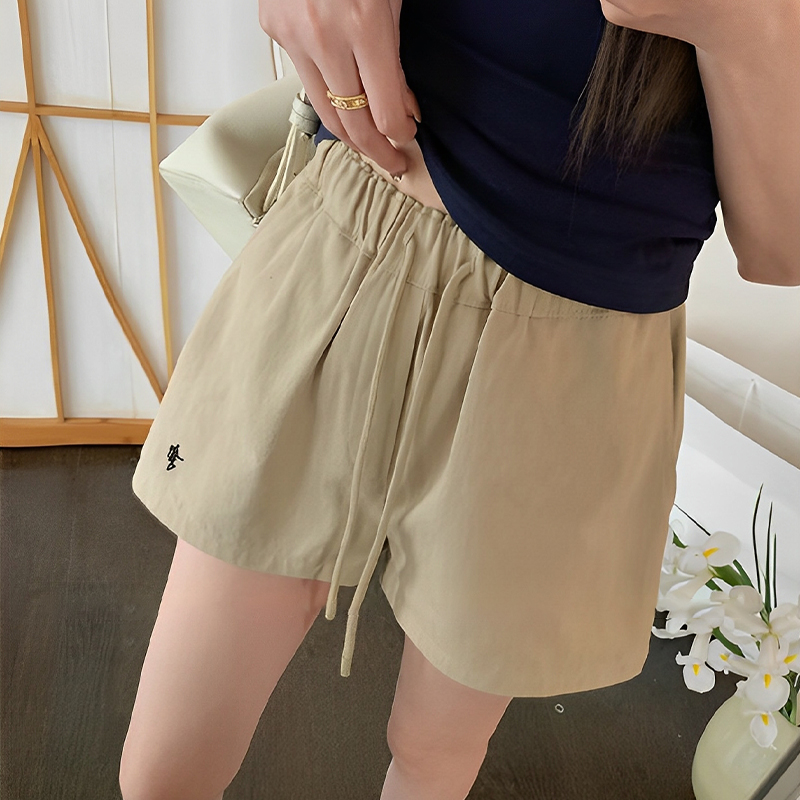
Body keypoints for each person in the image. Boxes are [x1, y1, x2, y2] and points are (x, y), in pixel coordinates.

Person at [118, 1, 724, 798]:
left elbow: (779, 242)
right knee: (163, 766)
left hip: (579, 357)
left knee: (435, 749)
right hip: (354, 244)